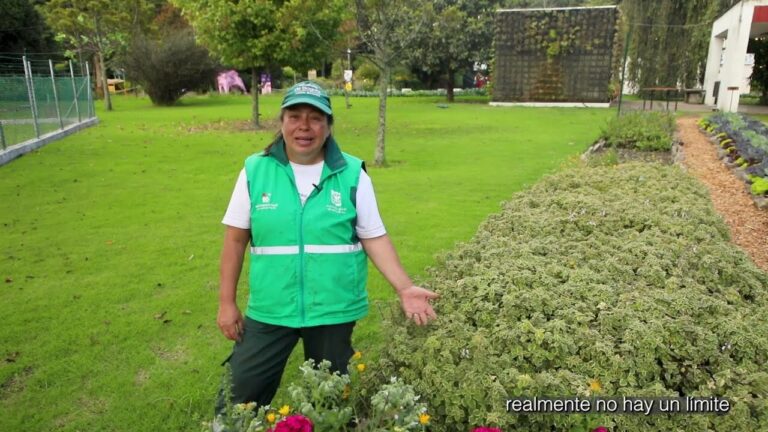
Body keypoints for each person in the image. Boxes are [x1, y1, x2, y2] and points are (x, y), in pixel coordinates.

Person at [215, 81, 439, 416]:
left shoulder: (351, 173)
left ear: (329, 126)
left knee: (331, 399)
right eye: (295, 116)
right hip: (271, 307)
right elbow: (235, 240)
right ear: (282, 122)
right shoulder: (255, 170)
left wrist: (405, 288)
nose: (304, 126)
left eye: (315, 118)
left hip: (334, 308)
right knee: (240, 394)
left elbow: (373, 236)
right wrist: (226, 302)